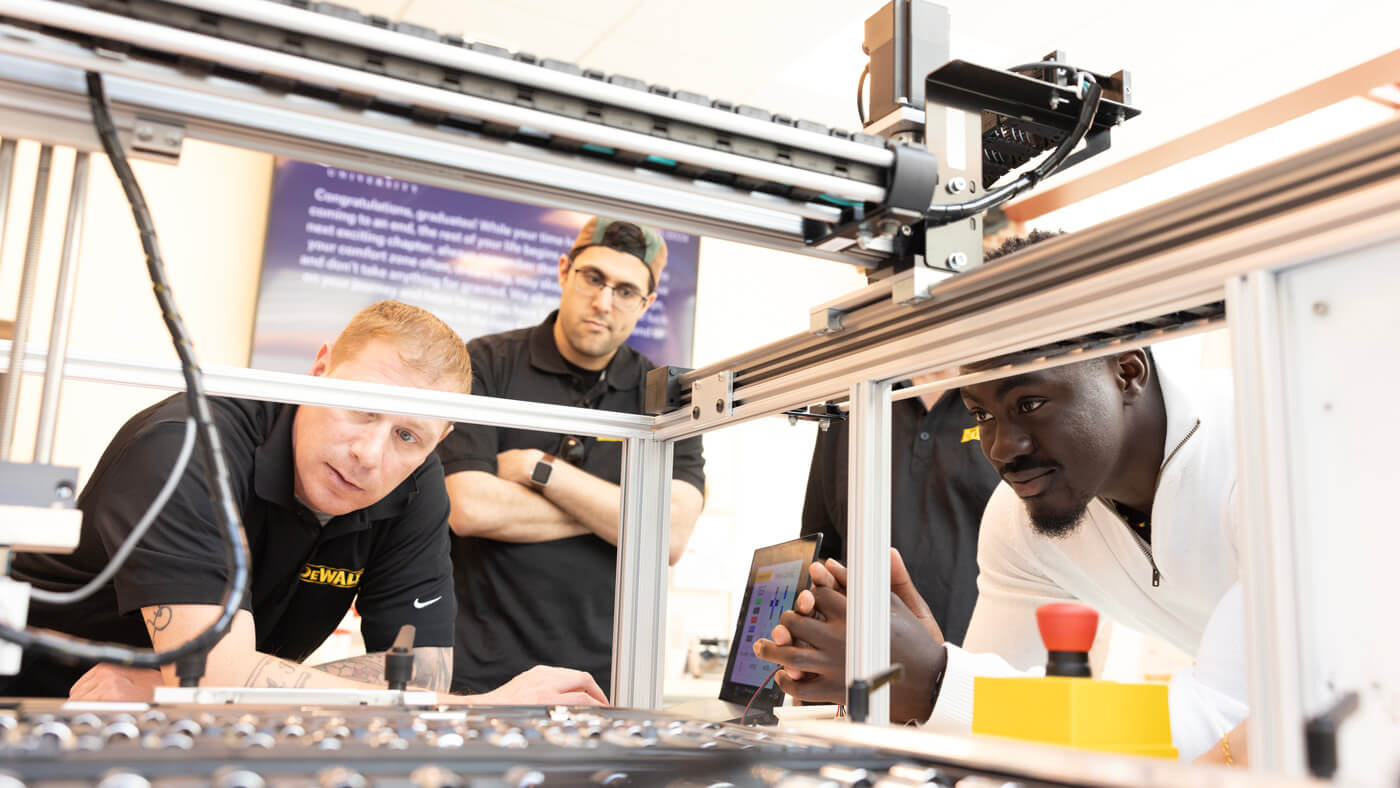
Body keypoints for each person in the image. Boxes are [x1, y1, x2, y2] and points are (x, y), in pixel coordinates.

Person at [5, 301, 605, 706]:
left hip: (191, 723)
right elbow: (212, 677)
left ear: (439, 441)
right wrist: (481, 709)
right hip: (31, 705)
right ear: (318, 371)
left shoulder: (414, 483)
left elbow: (423, 674)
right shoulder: (190, 443)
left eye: (407, 435)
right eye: (362, 408)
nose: (370, 454)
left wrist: (161, 688)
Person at [755, 345, 1247, 759]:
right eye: (982, 415)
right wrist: (924, 682)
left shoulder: (1263, 456)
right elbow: (995, 725)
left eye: (1030, 403)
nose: (1002, 449)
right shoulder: (1019, 522)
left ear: (1127, 371)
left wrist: (937, 681)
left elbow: (1226, 726)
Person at [438, 217, 706, 696]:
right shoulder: (486, 363)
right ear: (565, 271)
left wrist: (539, 471)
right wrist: (633, 516)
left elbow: (669, 539)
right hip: (478, 679)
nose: (604, 302)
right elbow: (470, 508)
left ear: (645, 305)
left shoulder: (666, 395)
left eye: (626, 291)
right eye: (593, 278)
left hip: (604, 684)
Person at [800, 372, 1000, 646]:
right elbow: (820, 550)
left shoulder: (1001, 391)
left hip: (980, 662)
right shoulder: (847, 404)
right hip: (862, 659)